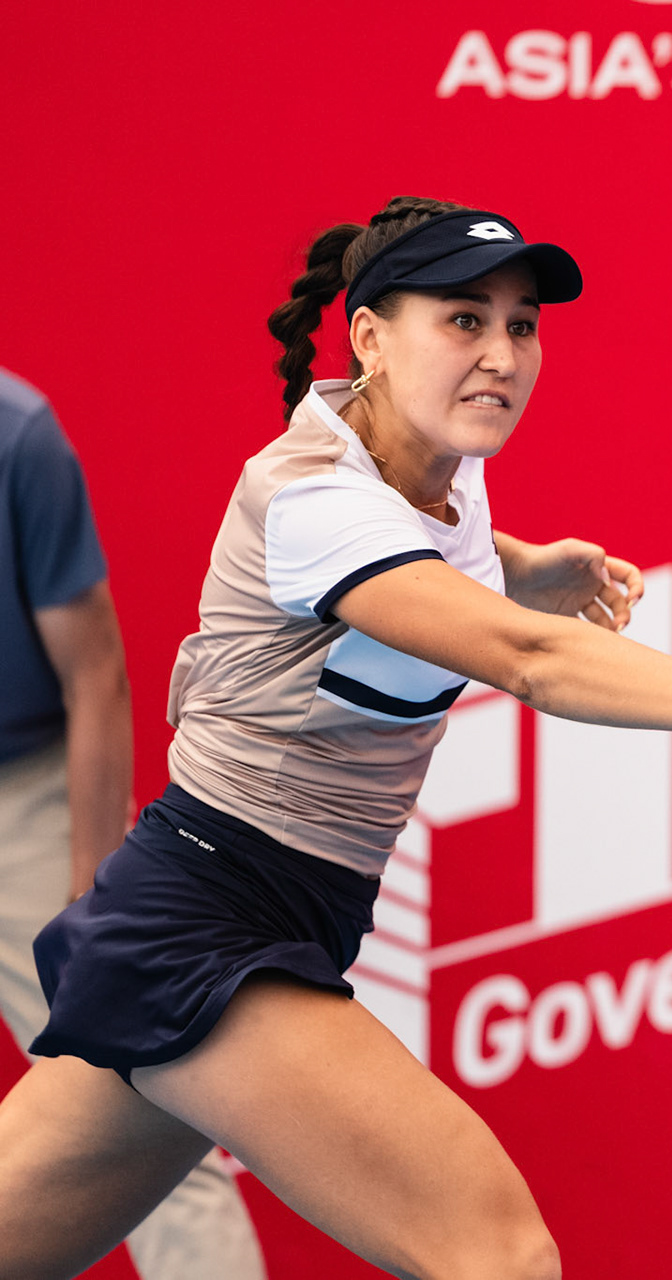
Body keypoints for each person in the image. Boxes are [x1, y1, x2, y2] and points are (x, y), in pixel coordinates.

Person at [0, 197, 672, 1279]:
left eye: (522, 324)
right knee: (498, 1254)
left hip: (252, 907)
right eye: (464, 319)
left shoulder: (433, 472)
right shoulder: (312, 497)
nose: (503, 354)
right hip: (209, 925)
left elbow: (427, 570)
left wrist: (515, 563)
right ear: (368, 336)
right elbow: (528, 658)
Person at [0, 367, 268, 1278]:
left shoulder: (18, 435)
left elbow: (95, 674)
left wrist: (86, 889)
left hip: (27, 792)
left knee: (137, 1100)